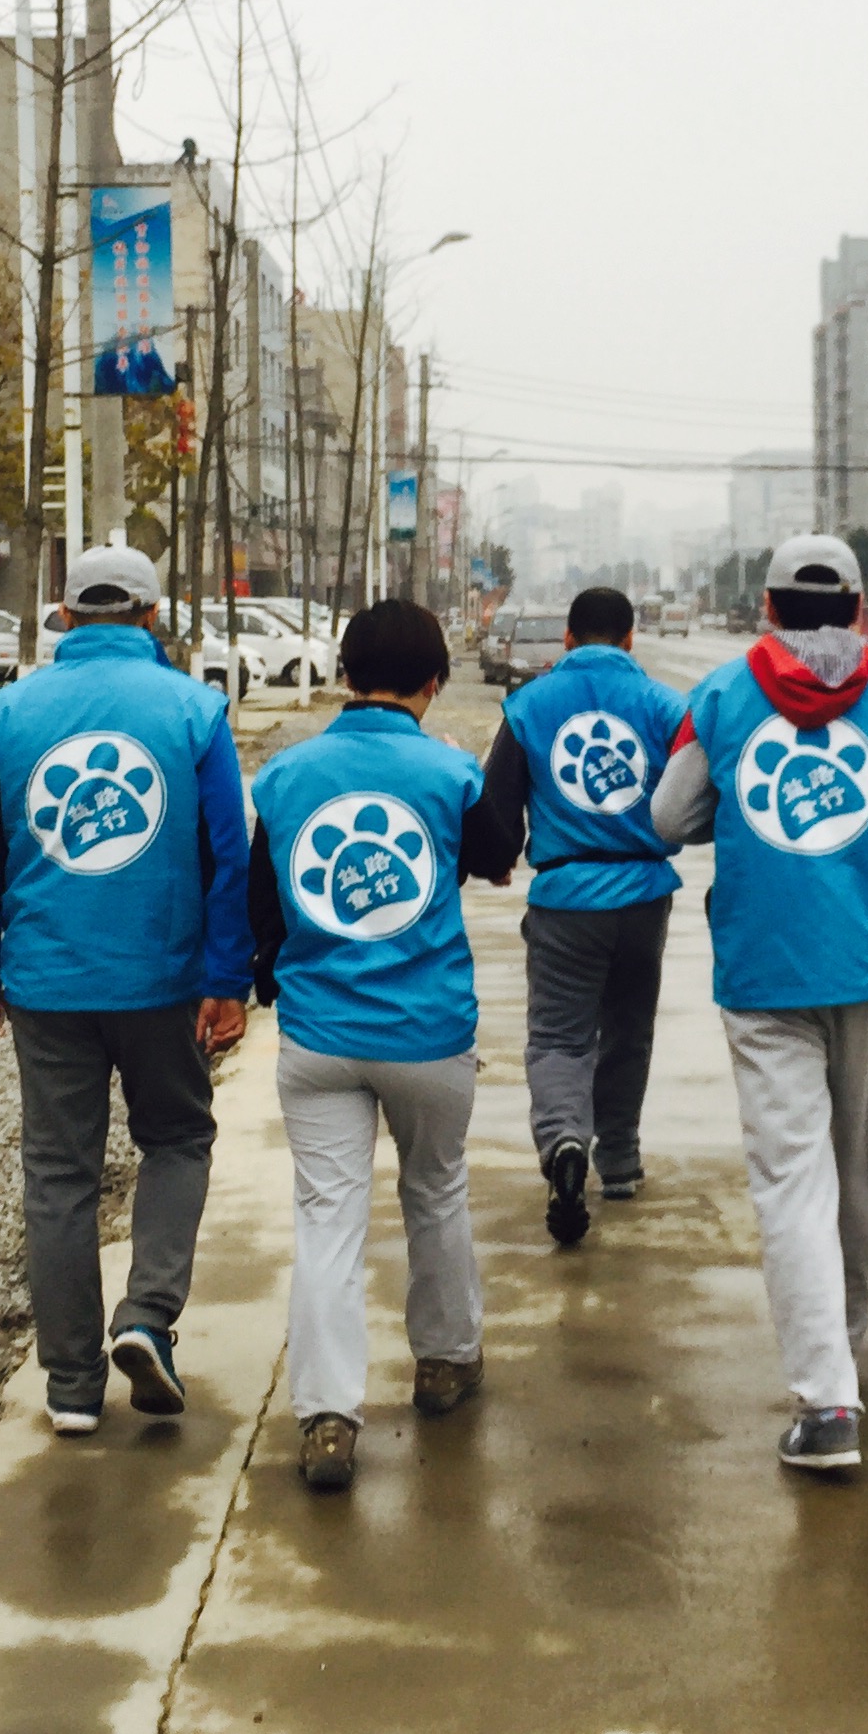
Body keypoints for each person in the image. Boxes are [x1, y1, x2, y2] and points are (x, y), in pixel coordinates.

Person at [651, 533, 868, 1476]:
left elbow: (668, 818)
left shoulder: (721, 695)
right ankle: (848, 1340)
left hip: (766, 971)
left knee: (791, 1179)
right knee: (857, 1170)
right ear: (861, 608)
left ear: (768, 607)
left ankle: (827, 1401)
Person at [0, 543, 252, 1438]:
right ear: (154, 616)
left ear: (65, 616)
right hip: (164, 980)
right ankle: (147, 1316)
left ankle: (73, 1387)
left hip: (47, 983)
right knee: (178, 1139)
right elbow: (226, 856)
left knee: (58, 1175)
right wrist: (226, 978)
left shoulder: (6, 714)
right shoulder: (195, 710)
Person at [248, 598, 520, 1495]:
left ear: (343, 674)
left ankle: (327, 1417)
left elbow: (260, 904)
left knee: (328, 1218)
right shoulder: (448, 770)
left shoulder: (285, 776)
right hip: (426, 1031)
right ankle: (445, 1361)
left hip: (319, 1035)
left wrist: (267, 983)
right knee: (435, 1191)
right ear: (435, 682)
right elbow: (498, 856)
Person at [478, 584, 686, 1245]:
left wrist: (497, 857)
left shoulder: (528, 705)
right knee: (629, 1029)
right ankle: (618, 1160)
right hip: (644, 896)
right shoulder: (665, 706)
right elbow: (691, 797)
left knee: (560, 1037)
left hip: (566, 899)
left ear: (568, 638)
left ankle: (564, 1140)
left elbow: (498, 802)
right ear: (630, 638)